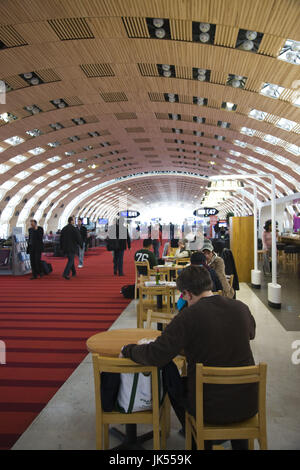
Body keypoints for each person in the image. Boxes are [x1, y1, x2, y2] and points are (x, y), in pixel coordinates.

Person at [121, 265, 258, 450]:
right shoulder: (240, 307)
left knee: (169, 370)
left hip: (208, 410)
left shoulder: (188, 317)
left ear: (186, 293)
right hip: (247, 403)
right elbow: (250, 334)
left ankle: (196, 436)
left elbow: (155, 354)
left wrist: (128, 349)